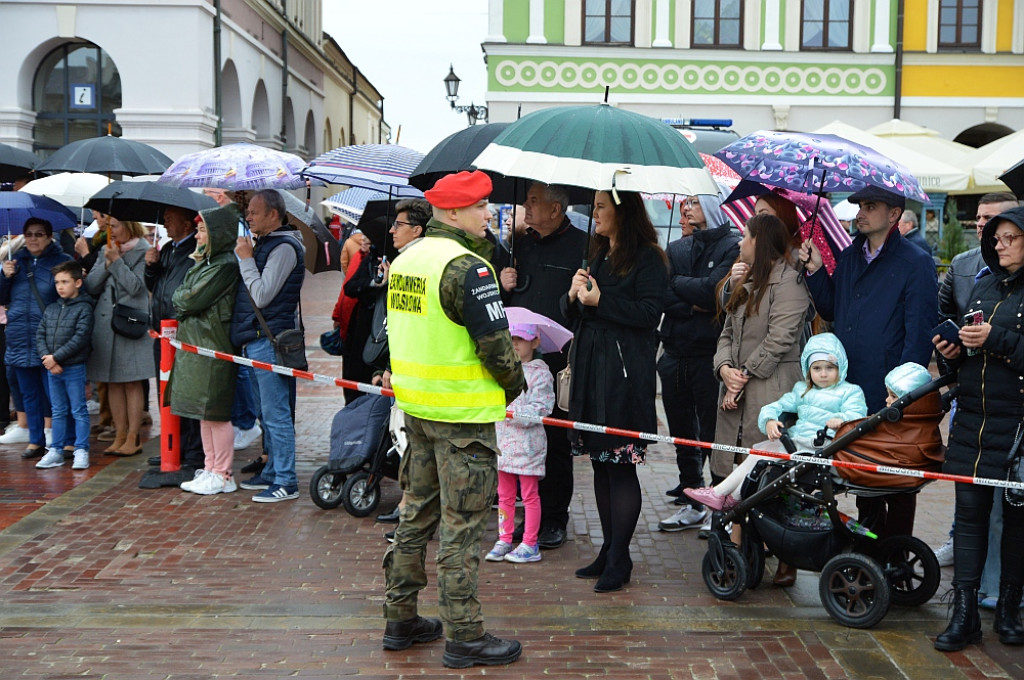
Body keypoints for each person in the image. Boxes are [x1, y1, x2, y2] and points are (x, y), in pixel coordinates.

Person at [382, 170, 525, 668]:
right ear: (455, 212)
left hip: (417, 409)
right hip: (462, 418)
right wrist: (515, 383)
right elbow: (497, 348)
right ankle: (464, 634)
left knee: (414, 515)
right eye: (481, 206)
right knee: (461, 528)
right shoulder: (468, 268)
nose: (489, 214)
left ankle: (400, 618)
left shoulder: (406, 259)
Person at [800, 185, 938, 540]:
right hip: (851, 390)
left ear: (893, 214)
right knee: (862, 476)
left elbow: (919, 333)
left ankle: (895, 556)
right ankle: (868, 550)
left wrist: (904, 395)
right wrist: (815, 269)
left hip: (890, 394)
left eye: (870, 206)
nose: (860, 212)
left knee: (896, 479)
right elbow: (831, 309)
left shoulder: (915, 262)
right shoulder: (849, 257)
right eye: (860, 205)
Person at [562, 190, 667, 594]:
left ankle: (620, 557)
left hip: (623, 378)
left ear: (623, 212)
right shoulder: (598, 252)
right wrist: (572, 295)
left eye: (602, 206)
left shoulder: (649, 258)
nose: (596, 213)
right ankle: (609, 549)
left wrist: (602, 299)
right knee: (601, 465)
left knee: (620, 464)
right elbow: (573, 313)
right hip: (591, 373)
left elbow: (648, 314)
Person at [932, 205, 1024, 652]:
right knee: (968, 519)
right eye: (996, 238)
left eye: (1010, 237)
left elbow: (1006, 347)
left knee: (1017, 524)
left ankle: (1008, 609)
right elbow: (969, 356)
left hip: (1017, 427)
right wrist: (952, 351)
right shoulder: (984, 284)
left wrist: (996, 339)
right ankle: (964, 613)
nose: (1000, 244)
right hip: (972, 422)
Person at [713, 213, 811, 586]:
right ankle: (740, 554)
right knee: (738, 469)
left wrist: (744, 375)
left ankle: (787, 555)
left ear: (760, 241)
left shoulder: (790, 283)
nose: (740, 243)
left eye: (745, 237)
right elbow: (725, 332)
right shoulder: (746, 279)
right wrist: (724, 369)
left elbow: (780, 338)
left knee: (774, 475)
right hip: (736, 391)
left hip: (771, 390)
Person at [499, 182, 588, 550]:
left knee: (553, 442)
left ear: (556, 210)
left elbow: (584, 304)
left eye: (534, 201)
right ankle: (526, 515)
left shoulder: (582, 246)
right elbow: (499, 297)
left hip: (556, 358)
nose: (526, 207)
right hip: (518, 359)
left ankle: (553, 517)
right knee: (517, 441)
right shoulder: (520, 244)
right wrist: (505, 283)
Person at [684, 333, 866, 510]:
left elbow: (858, 416)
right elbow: (775, 406)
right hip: (799, 445)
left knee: (763, 455)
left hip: (827, 449)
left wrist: (842, 420)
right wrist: (770, 420)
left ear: (840, 367)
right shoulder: (802, 390)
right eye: (817, 368)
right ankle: (728, 496)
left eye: (830, 368)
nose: (823, 374)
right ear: (808, 370)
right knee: (758, 453)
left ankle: (726, 495)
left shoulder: (850, 391)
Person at [656, 189, 740, 533]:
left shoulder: (732, 245)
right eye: (685, 203)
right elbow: (663, 293)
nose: (686, 209)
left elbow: (714, 292)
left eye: (693, 203)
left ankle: (720, 503)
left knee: (713, 433)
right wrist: (691, 300)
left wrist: (686, 288)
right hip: (675, 352)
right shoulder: (676, 247)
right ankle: (692, 500)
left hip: (710, 356)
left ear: (711, 206)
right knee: (682, 433)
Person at [233, 189, 305, 503]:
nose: (248, 217)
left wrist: (247, 261)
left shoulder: (285, 247)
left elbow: (262, 295)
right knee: (267, 413)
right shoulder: (266, 243)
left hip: (271, 340)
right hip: (257, 338)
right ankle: (275, 470)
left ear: (273, 214)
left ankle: (287, 481)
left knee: (276, 415)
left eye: (254, 212)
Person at [168, 204, 243, 495]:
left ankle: (223, 473)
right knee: (204, 412)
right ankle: (210, 467)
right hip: (198, 343)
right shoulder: (207, 262)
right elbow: (181, 294)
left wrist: (183, 296)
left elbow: (186, 301)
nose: (198, 236)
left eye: (202, 230)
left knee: (216, 412)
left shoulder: (224, 264)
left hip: (213, 344)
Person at [143, 206, 206, 478]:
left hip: (182, 332)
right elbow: (153, 285)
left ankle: (193, 451)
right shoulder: (167, 248)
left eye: (170, 219)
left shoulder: (197, 249)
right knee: (166, 391)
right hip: (162, 333)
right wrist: (151, 265)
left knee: (186, 392)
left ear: (186, 223)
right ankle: (173, 445)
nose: (166, 224)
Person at [0, 217, 71, 458]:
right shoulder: (16, 261)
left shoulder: (62, 261)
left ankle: (61, 439)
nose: (33, 239)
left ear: (49, 237)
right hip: (19, 334)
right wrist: (4, 275)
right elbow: (2, 297)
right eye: (29, 234)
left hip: (49, 336)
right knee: (28, 391)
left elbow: (70, 297)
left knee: (53, 393)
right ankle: (35, 440)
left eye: (39, 234)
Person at [485, 322, 555, 564]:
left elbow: (542, 408)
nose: (514, 343)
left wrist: (510, 409)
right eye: (510, 338)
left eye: (521, 339)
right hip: (503, 443)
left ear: (535, 343)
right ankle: (504, 538)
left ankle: (530, 542)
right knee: (504, 495)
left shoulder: (540, 373)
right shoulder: (503, 369)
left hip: (527, 446)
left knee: (529, 495)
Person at [85, 217, 153, 456]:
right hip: (105, 326)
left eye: (114, 225)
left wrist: (116, 263)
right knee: (112, 380)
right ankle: (120, 433)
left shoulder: (145, 250)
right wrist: (107, 262)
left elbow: (136, 288)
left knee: (132, 381)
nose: (109, 230)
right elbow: (91, 286)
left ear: (129, 226)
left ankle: (133, 437)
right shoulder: (106, 249)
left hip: (130, 324)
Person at [33, 261, 93, 470]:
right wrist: (47, 359)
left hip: (73, 367)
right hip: (52, 367)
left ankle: (81, 449)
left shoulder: (84, 308)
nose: (60, 286)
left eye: (65, 282)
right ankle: (56, 450)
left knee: (78, 410)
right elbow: (40, 334)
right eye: (57, 282)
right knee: (57, 410)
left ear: (78, 282)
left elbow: (80, 338)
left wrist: (56, 358)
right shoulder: (51, 308)